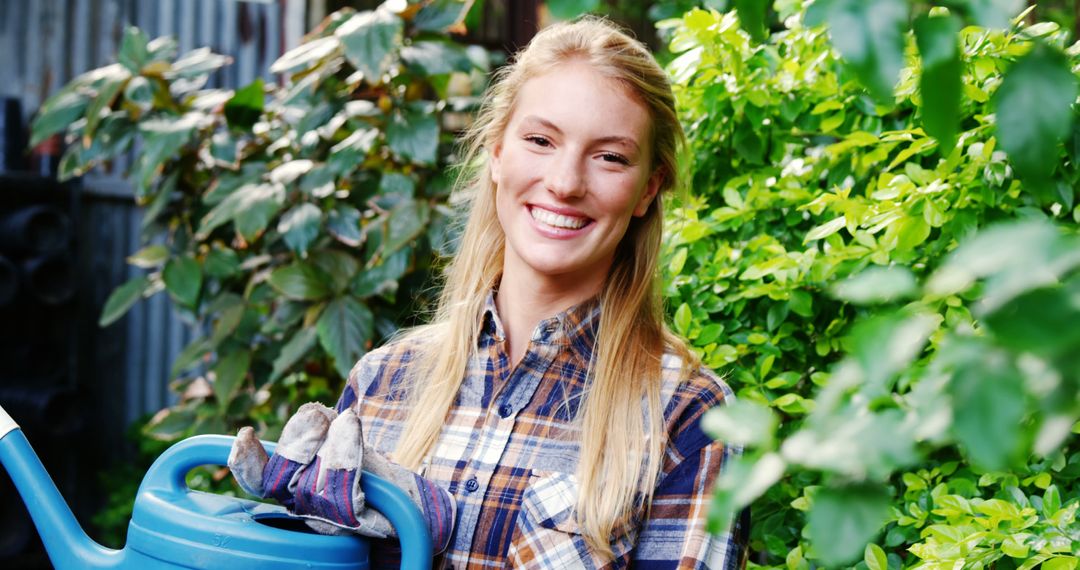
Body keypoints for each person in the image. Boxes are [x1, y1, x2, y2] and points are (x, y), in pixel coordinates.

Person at [230, 15, 746, 569]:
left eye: (610, 156)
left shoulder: (689, 417)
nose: (566, 182)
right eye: (541, 140)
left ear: (647, 189)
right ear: (497, 154)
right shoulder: (382, 381)